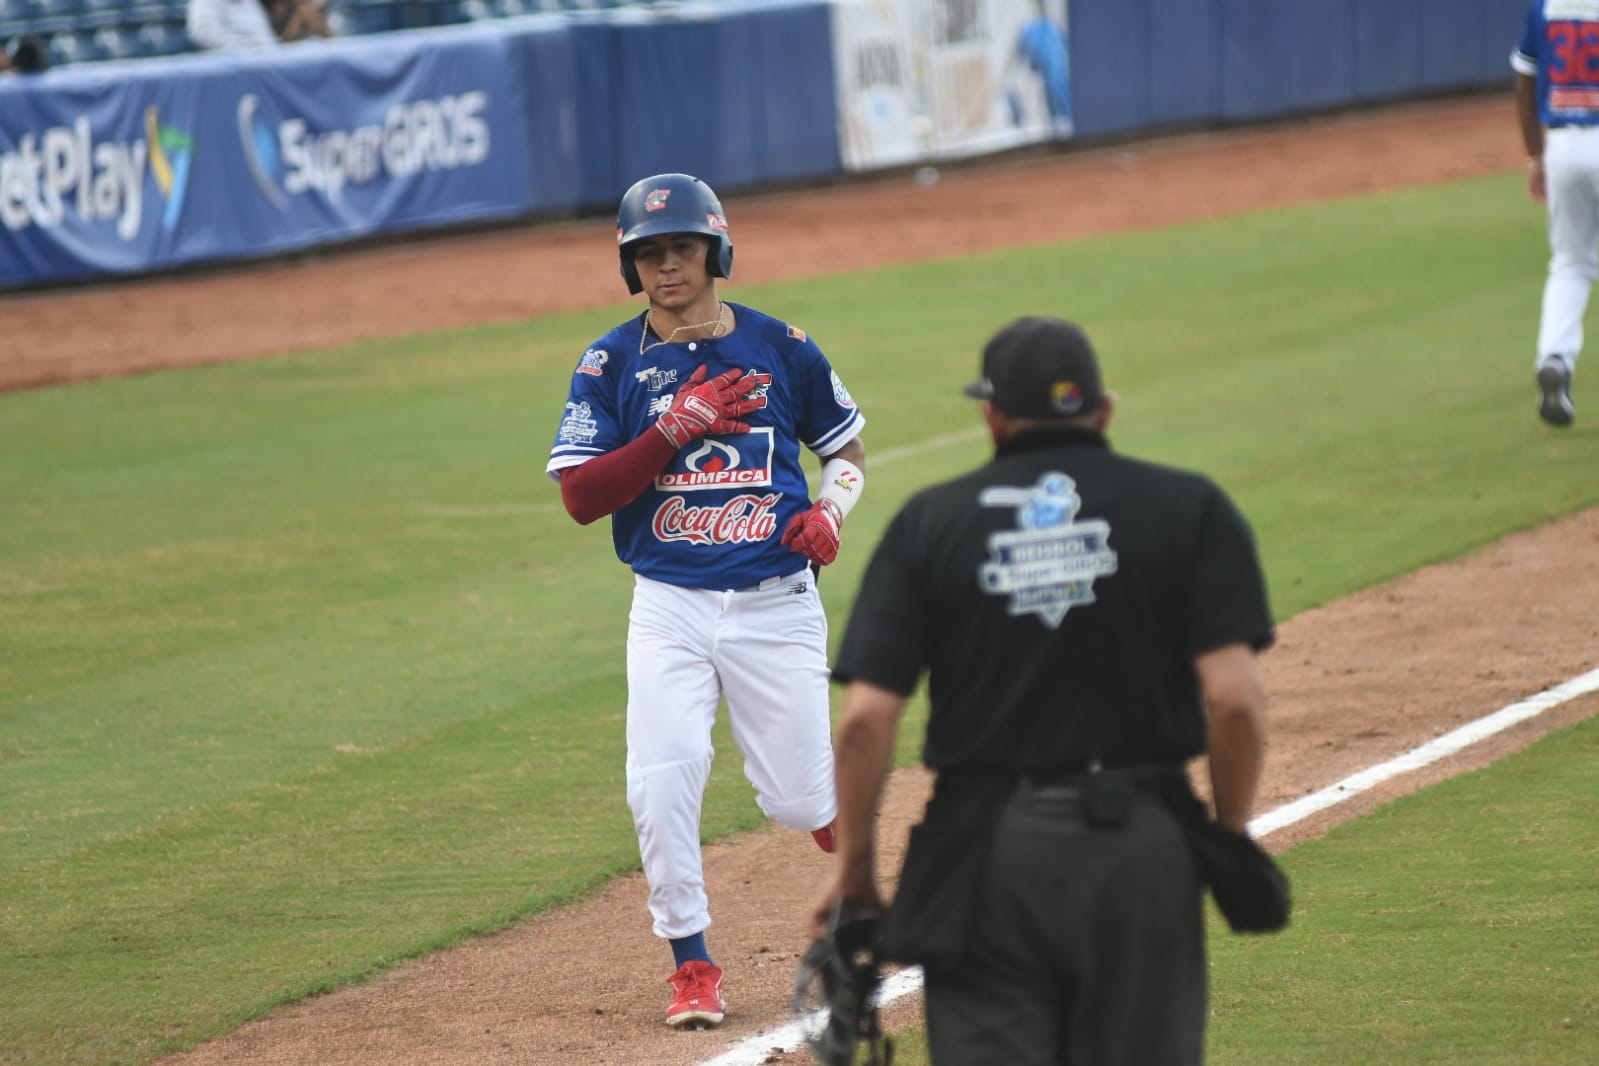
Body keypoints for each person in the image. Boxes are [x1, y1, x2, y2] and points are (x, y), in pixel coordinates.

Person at [811, 316, 1274, 1064]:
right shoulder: (1189, 508)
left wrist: (856, 872)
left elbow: (865, 720)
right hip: (1141, 853)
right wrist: (1226, 835)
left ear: (991, 417)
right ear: (1103, 410)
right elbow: (1234, 701)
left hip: (986, 862)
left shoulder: (931, 523)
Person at [545, 172, 868, 1030]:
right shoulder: (610, 361)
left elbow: (848, 453)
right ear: (630, 267)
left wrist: (830, 513)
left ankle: (843, 837)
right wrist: (671, 429)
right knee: (662, 779)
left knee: (798, 802)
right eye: (648, 254)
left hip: (775, 604)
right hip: (670, 607)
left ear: (715, 251)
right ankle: (692, 964)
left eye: (681, 248)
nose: (666, 267)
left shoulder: (781, 345)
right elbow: (582, 498)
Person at [1512, 1, 1597, 427]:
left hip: (1563, 146)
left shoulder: (1548, 4)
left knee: (1570, 263)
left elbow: (1524, 79)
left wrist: (1534, 157)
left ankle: (1556, 358)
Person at [186, 0, 326, 50]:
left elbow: (265, 39)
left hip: (265, 62)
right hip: (238, 67)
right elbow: (202, 31)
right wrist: (247, 48)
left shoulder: (251, 2)